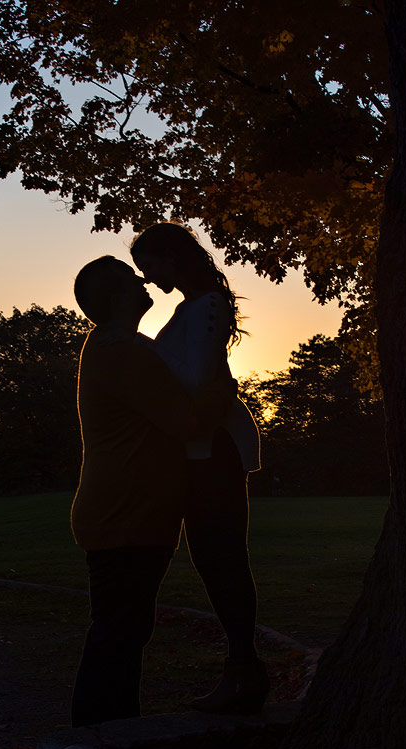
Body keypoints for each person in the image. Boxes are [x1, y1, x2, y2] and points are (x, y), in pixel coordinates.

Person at [68, 255, 232, 727]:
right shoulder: (122, 351)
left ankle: (112, 734)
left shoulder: (124, 346)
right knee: (119, 632)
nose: (143, 283)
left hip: (130, 513)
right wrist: (223, 384)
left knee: (124, 630)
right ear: (117, 296)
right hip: (124, 515)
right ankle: (100, 741)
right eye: (131, 279)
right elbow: (187, 422)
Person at [130, 223, 268, 715]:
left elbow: (196, 379)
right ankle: (242, 669)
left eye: (149, 264)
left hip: (214, 449)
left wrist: (138, 351)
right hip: (199, 450)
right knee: (213, 558)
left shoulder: (207, 304)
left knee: (223, 556)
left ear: (170, 257)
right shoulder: (189, 307)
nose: (146, 277)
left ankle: (245, 671)